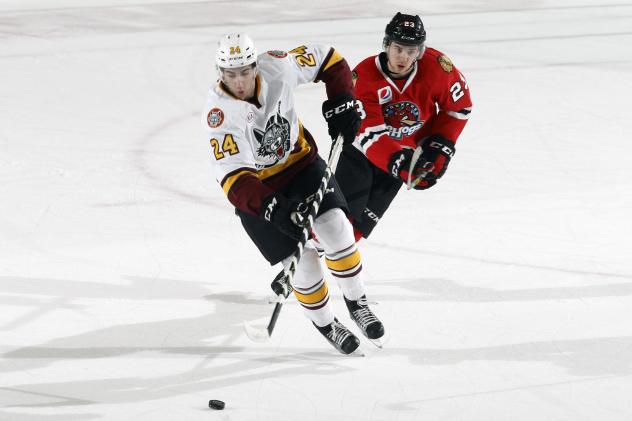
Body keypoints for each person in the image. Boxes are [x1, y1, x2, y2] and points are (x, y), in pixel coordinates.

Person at [202, 33, 384, 354]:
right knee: (303, 265)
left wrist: (341, 99)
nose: (240, 81)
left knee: (337, 229)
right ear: (221, 74)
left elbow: (329, 58)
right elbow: (235, 181)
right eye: (231, 74)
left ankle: (357, 301)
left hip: (300, 165)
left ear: (255, 65)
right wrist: (276, 209)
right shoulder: (220, 115)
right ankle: (328, 323)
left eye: (245, 71)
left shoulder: (279, 67)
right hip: (258, 192)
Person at [335, 12, 473, 241]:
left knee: (356, 232)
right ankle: (304, 270)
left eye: (411, 51)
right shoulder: (364, 76)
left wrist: (439, 145)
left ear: (419, 51)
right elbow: (371, 136)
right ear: (387, 45)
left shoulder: (438, 69)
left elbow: (460, 108)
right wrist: (402, 164)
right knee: (335, 222)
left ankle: (330, 273)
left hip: (404, 157)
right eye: (398, 48)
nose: (404, 57)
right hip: (361, 154)